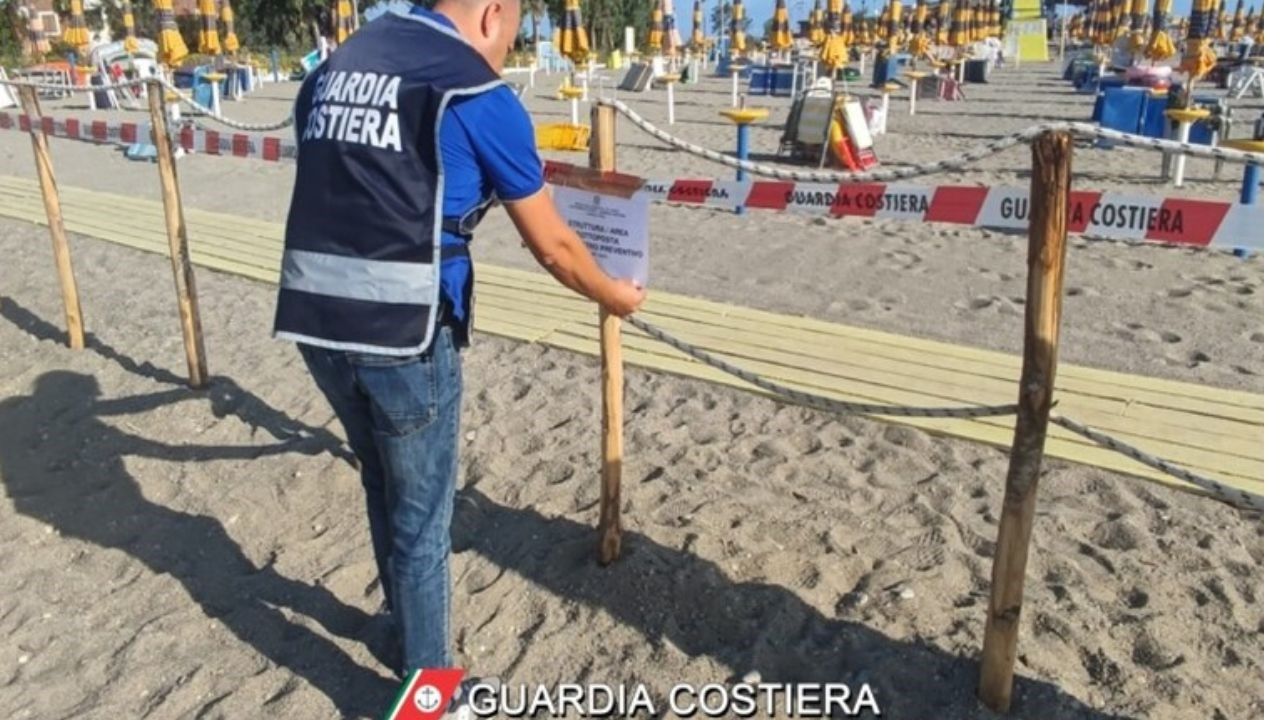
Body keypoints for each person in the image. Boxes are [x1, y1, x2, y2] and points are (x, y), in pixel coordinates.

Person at [271, 0, 646, 707]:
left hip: (314, 319)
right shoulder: (472, 90)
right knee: (424, 517)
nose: (508, 47)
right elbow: (556, 248)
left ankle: (401, 633)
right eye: (514, 30)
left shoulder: (334, 69)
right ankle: (431, 691)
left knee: (381, 482)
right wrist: (613, 297)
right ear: (493, 13)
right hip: (404, 331)